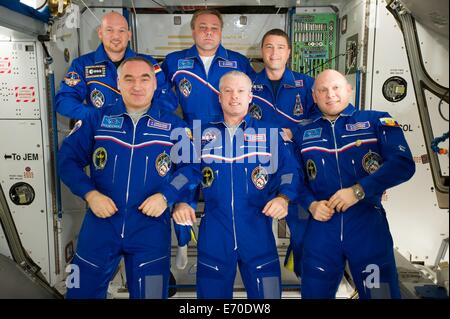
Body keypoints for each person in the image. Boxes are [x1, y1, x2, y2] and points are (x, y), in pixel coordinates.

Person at [58, 57, 195, 299]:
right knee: (79, 293)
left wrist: (166, 196)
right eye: (129, 79)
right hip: (101, 226)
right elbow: (67, 162)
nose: (137, 86)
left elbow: (191, 168)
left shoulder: (174, 125)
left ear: (155, 84)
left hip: (150, 229)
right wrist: (91, 195)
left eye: (145, 79)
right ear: (118, 83)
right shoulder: (96, 120)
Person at [170, 71, 300, 298]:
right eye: (228, 91)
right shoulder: (200, 134)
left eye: (241, 91)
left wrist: (284, 197)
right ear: (219, 97)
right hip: (215, 232)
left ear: (250, 97)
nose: (234, 97)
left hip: (258, 229)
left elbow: (288, 171)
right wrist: (180, 201)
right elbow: (186, 174)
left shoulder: (269, 133)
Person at [289, 69, 415, 299]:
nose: (330, 95)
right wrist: (311, 204)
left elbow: (403, 164)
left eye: (336, 88)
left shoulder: (377, 120)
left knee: (380, 294)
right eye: (322, 90)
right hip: (322, 225)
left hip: (367, 223)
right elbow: (293, 178)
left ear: (349, 90)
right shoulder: (301, 132)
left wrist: (358, 191)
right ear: (314, 96)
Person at [250, 28, 315, 278]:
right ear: (261, 51)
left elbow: (321, 118)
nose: (274, 52)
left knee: (303, 231)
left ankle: (305, 279)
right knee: (257, 230)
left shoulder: (306, 84)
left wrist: (295, 131)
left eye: (279, 47)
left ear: (288, 52)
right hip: (258, 168)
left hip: (297, 168)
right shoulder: (249, 84)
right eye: (268, 46)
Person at [56, 11, 176, 120]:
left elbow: (168, 99)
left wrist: (143, 117)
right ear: (100, 33)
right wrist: (97, 116)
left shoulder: (148, 63)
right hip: (101, 133)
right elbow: (64, 101)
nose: (116, 36)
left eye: (121, 30)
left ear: (129, 35)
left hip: (140, 133)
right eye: (109, 30)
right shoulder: (82, 65)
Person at [161, 8, 256, 126]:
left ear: (221, 32)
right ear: (193, 32)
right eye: (202, 27)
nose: (209, 32)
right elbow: (157, 93)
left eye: (214, 28)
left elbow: (257, 96)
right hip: (191, 131)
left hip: (230, 132)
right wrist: (169, 122)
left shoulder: (240, 62)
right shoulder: (173, 61)